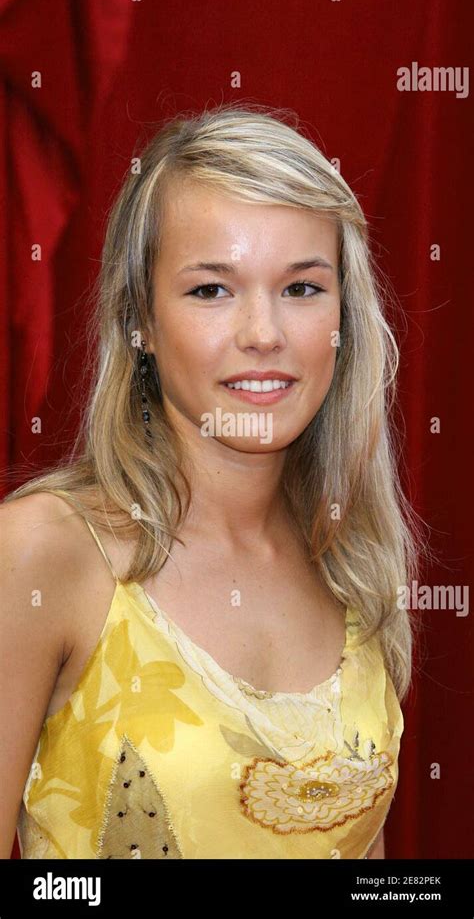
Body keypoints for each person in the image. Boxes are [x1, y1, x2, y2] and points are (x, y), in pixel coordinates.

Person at [0, 101, 426, 860]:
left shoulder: (357, 563)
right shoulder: (43, 553)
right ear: (141, 321)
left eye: (301, 288)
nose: (263, 334)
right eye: (211, 290)